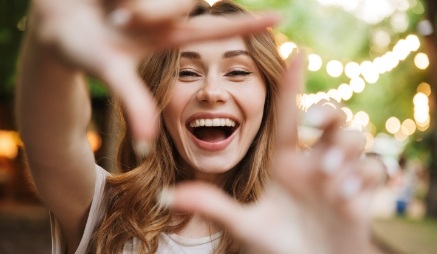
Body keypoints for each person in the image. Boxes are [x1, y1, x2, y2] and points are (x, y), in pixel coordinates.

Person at [16, 0, 384, 253]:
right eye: (187, 72)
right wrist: (49, 53)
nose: (211, 91)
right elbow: (52, 138)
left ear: (270, 98)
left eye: (238, 72)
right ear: (158, 95)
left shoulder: (301, 229)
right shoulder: (103, 209)